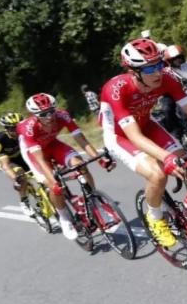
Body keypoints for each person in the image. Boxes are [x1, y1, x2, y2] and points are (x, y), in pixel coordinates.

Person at [98, 38, 187, 248]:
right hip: (121, 135)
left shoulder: (166, 78)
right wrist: (166, 158)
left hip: (147, 124)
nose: (157, 72)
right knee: (158, 174)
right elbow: (135, 137)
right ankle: (155, 218)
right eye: (149, 69)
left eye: (159, 64)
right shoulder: (116, 89)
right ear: (133, 71)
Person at [17, 93, 115, 240]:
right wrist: (52, 182)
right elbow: (40, 160)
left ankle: (95, 203)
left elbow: (81, 140)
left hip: (52, 144)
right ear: (34, 115)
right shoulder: (28, 128)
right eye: (43, 114)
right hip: (34, 153)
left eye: (51, 111)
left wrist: (98, 160)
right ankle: (64, 218)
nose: (49, 117)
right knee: (54, 186)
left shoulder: (62, 116)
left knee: (80, 165)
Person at [0, 112, 33, 216]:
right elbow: (6, 165)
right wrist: (16, 179)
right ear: (6, 129)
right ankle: (24, 201)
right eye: (13, 129)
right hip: (7, 160)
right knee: (20, 175)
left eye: (19, 127)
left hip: (21, 156)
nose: (17, 131)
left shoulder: (25, 133)